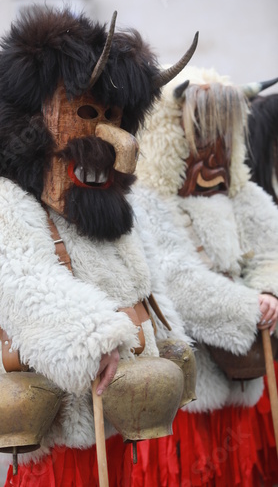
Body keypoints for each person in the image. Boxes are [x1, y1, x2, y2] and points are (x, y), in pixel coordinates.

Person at [0, 6, 198, 486]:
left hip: (130, 413)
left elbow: (146, 284)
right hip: (63, 427)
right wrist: (93, 342)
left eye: (114, 116)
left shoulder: (114, 209)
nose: (110, 137)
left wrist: (167, 341)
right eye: (87, 114)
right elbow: (22, 283)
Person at [131, 65, 278, 486]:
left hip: (242, 377)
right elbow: (175, 280)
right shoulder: (145, 200)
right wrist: (250, 307)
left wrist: (268, 291)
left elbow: (272, 248)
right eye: (202, 131)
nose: (215, 148)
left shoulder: (241, 194)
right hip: (185, 386)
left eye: (223, 132)